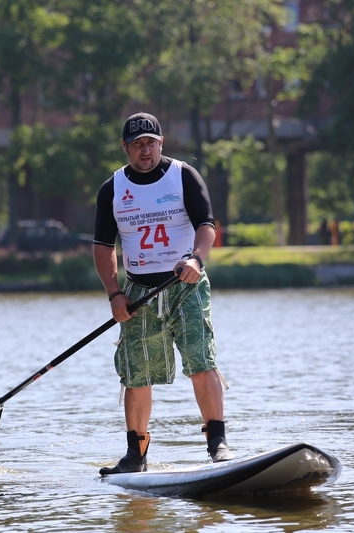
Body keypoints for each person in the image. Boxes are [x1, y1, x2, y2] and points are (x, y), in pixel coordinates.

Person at [93, 112, 235, 475]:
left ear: (161, 143)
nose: (145, 151)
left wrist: (196, 260)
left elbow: (206, 226)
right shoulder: (112, 188)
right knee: (136, 374)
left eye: (151, 143)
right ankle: (135, 455)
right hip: (138, 292)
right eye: (137, 145)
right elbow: (102, 247)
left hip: (184, 285)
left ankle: (217, 442)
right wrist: (114, 294)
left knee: (201, 361)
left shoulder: (183, 176)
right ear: (125, 147)